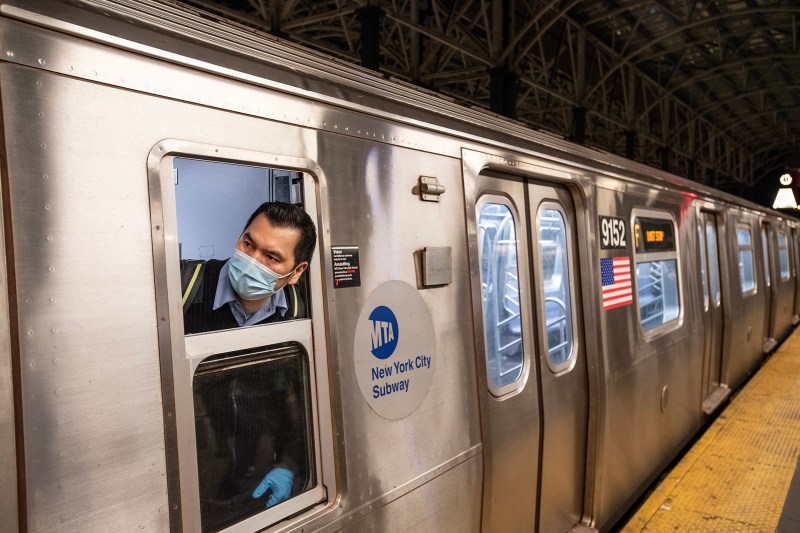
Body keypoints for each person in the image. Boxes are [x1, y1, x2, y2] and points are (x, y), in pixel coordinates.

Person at [183, 201, 316, 334]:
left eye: (271, 257)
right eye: (248, 244)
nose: (251, 262)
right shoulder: (184, 283)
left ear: (297, 272)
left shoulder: (298, 310)